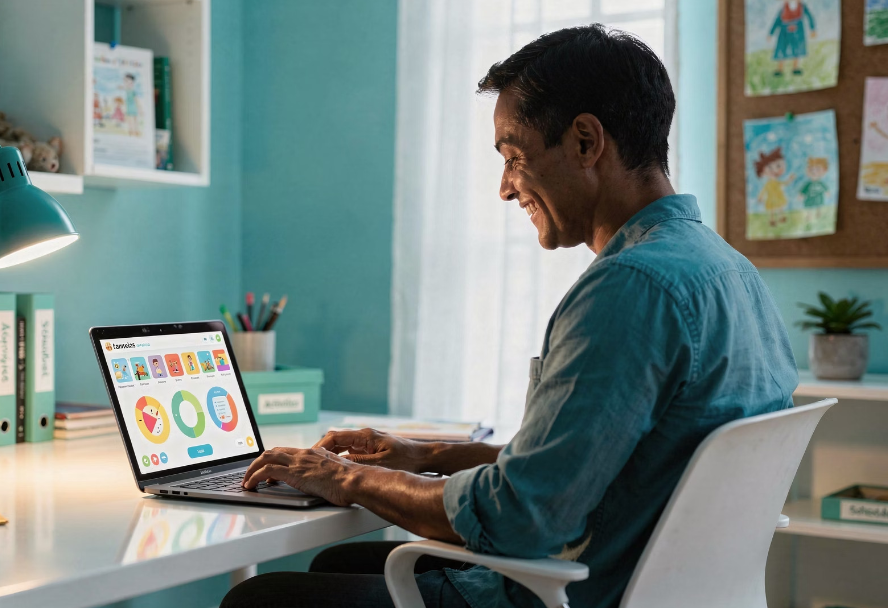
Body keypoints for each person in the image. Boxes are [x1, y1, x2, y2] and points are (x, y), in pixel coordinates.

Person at [221, 24, 797, 608]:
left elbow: (522, 516)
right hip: (661, 587)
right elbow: (596, 465)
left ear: (585, 141)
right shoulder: (728, 270)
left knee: (261, 600)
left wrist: (346, 478)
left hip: (574, 591)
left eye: (514, 156)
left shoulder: (630, 287)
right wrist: (427, 456)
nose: (504, 188)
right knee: (337, 563)